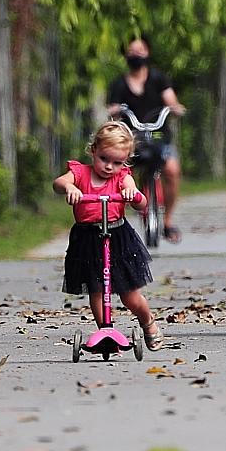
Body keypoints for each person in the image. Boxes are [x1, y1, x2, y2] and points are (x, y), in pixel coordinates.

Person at [54, 121, 164, 351]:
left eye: (117, 162)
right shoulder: (80, 173)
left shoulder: (122, 177)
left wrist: (133, 195)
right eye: (104, 159)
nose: (109, 167)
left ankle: (148, 321)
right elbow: (59, 183)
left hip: (117, 236)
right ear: (93, 150)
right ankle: (105, 330)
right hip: (88, 238)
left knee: (129, 295)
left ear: (125, 161)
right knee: (96, 289)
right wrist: (70, 188)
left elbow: (141, 203)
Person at [105, 35, 187, 242]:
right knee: (118, 172)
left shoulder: (158, 79)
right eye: (132, 51)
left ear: (148, 52)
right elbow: (112, 110)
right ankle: (115, 219)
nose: (136, 55)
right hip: (131, 139)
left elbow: (171, 101)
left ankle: (167, 221)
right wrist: (115, 111)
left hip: (159, 135)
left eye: (140, 50)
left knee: (172, 170)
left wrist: (174, 108)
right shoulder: (119, 84)